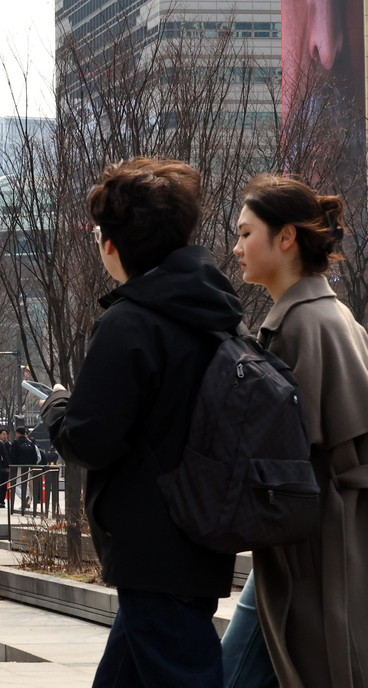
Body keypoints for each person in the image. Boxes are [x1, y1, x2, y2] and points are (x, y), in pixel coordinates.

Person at [39, 157, 244, 687]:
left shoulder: (130, 322)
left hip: (152, 548)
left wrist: (58, 408)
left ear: (111, 245)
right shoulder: (216, 313)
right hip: (199, 531)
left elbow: (90, 438)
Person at [227, 174, 368, 688]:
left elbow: (284, 455)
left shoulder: (296, 328)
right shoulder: (338, 319)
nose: (236, 247)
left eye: (246, 234)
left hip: (311, 552)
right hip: (321, 546)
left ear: (285, 238)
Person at [9, 427, 41, 508]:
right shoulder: (31, 443)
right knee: (26, 484)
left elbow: (13, 455)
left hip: (18, 467)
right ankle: (25, 501)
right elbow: (35, 456)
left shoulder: (16, 443)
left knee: (15, 485)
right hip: (29, 467)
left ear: (18, 433)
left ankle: (24, 497)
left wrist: (11, 465)